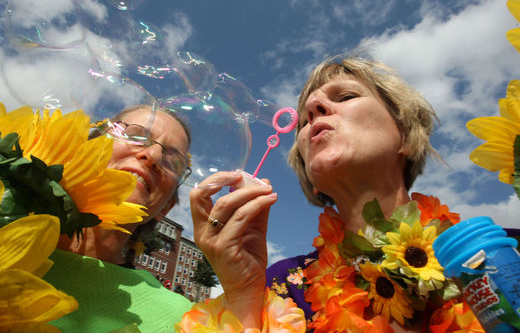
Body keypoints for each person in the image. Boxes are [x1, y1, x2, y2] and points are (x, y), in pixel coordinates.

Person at [182, 56, 505, 332]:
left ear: (406, 136)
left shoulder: (502, 255)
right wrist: (242, 295)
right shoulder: (283, 289)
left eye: (347, 96)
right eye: (306, 120)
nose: (313, 107)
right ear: (311, 178)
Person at [43, 105, 194, 332]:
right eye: (135, 135)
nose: (152, 155)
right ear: (84, 147)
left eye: (172, 162)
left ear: (165, 208)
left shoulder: (181, 319)